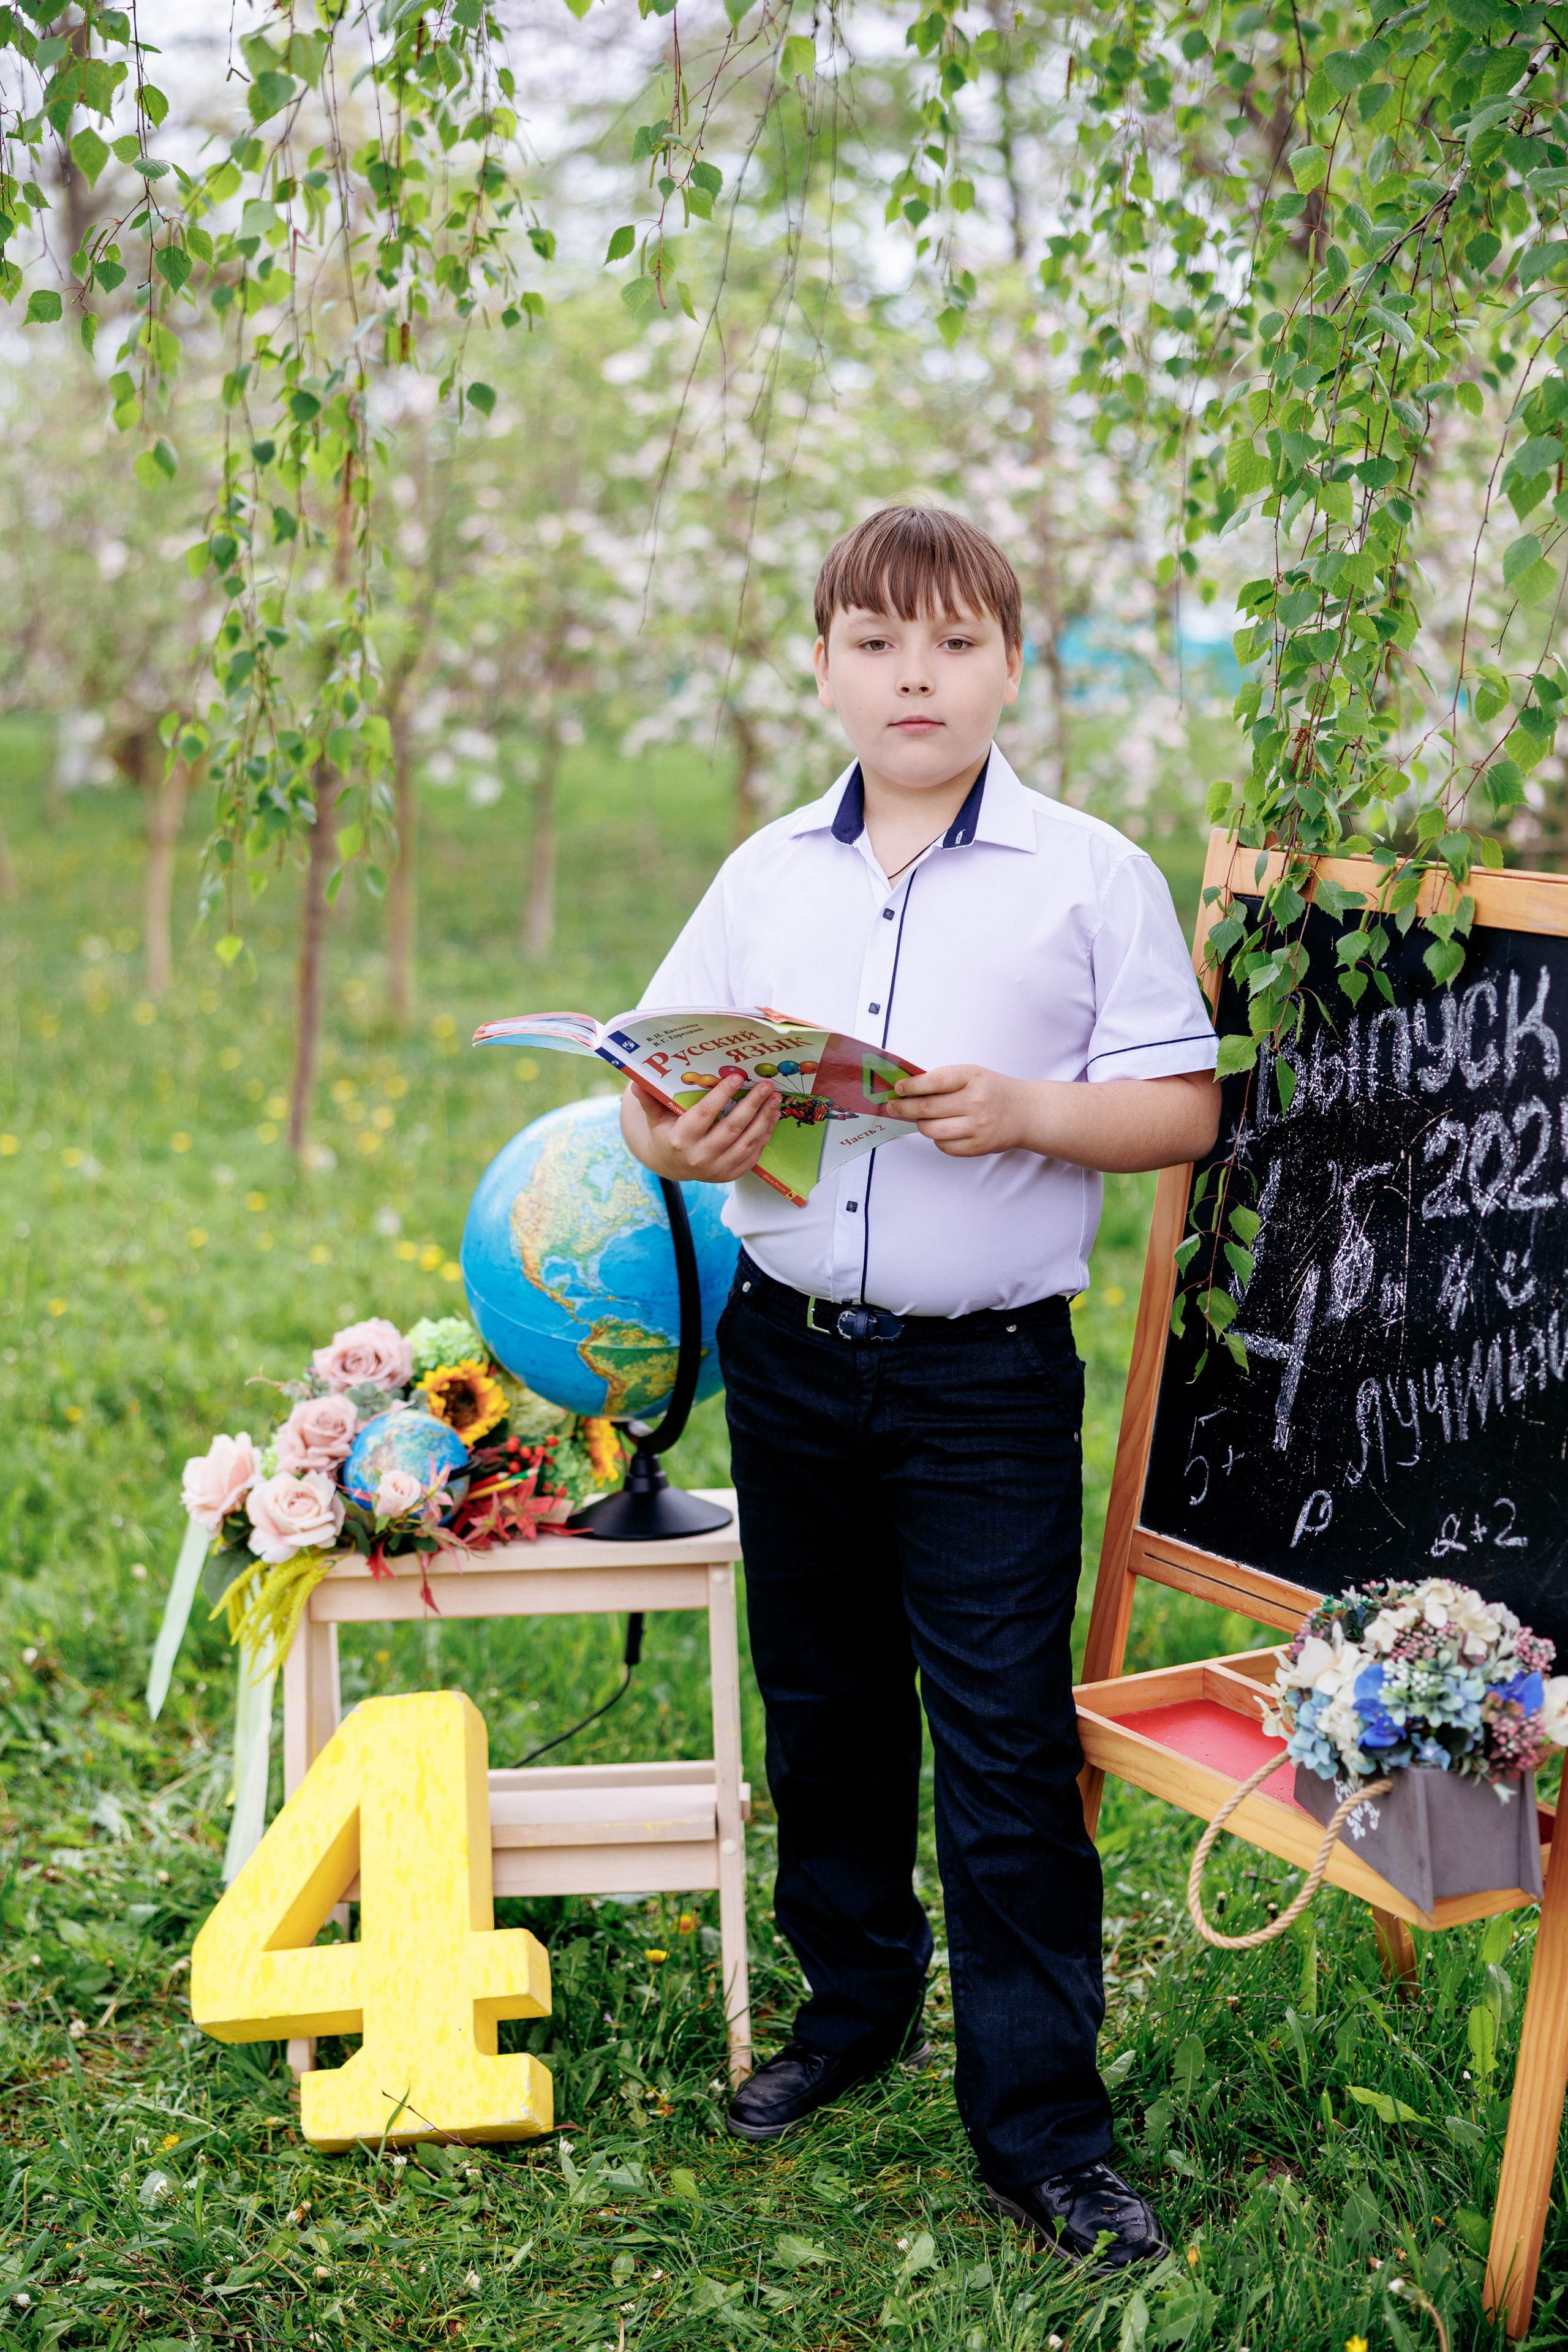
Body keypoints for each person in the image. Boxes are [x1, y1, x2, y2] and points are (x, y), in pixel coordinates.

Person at [620, 507, 1219, 2272]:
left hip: (985, 1388)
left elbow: (1181, 1108)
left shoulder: (1090, 875)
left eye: (953, 643)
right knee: (824, 1706)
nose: (913, 676)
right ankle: (854, 2004)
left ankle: (1044, 2132)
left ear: (1011, 667)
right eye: (877, 642)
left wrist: (1029, 1111)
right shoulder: (764, 876)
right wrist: (688, 1124)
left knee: (1008, 1748)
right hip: (790, 1362)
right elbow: (649, 1092)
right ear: (823, 666)